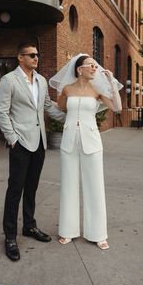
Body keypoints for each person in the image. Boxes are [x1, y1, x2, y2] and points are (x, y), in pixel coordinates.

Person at [0, 42, 65, 261]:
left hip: (39, 143)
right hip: (21, 144)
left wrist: (72, 119)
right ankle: (9, 236)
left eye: (38, 55)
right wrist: (13, 139)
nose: (36, 58)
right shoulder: (9, 80)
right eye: (32, 55)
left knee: (32, 188)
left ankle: (29, 226)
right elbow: (2, 112)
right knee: (15, 190)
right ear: (20, 57)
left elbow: (47, 107)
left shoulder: (42, 80)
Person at [49, 53, 123, 249]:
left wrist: (111, 83)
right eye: (90, 65)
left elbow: (117, 108)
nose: (94, 68)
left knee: (95, 186)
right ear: (79, 69)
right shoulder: (67, 89)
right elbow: (60, 108)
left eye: (95, 66)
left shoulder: (98, 90)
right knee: (68, 185)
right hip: (69, 141)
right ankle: (67, 231)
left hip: (92, 142)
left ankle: (98, 234)